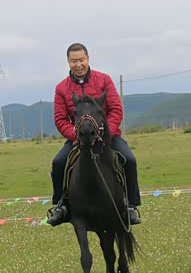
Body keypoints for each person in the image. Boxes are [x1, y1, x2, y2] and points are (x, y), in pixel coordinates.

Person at [46, 43, 141, 226]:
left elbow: (116, 110)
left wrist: (105, 134)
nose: (78, 64)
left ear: (88, 59)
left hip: (108, 137)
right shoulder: (61, 88)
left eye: (81, 60)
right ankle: (61, 205)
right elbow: (60, 119)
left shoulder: (104, 80)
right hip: (78, 138)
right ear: (68, 62)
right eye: (74, 61)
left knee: (129, 160)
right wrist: (76, 136)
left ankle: (130, 206)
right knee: (58, 163)